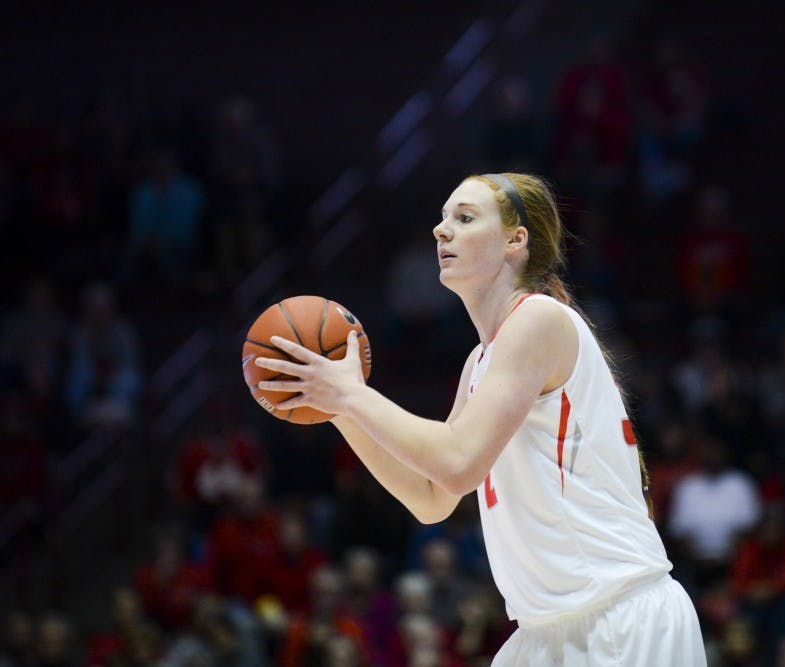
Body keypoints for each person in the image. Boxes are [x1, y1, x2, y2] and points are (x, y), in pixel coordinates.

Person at [254, 172, 706, 664]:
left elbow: (458, 461)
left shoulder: (538, 319)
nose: (440, 230)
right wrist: (339, 409)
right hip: (545, 632)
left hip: (616, 621)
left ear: (516, 241)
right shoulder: (480, 361)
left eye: (464, 218)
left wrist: (351, 396)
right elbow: (432, 499)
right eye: (443, 218)